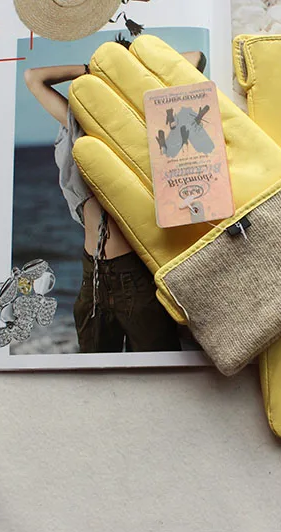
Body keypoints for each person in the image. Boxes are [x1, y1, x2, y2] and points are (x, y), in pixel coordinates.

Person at [23, 35, 207, 352]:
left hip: (136, 277)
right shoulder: (80, 125)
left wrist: (132, 68)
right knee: (95, 374)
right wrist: (91, 70)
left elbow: (196, 57)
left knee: (155, 370)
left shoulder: (149, 127)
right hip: (92, 276)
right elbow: (33, 77)